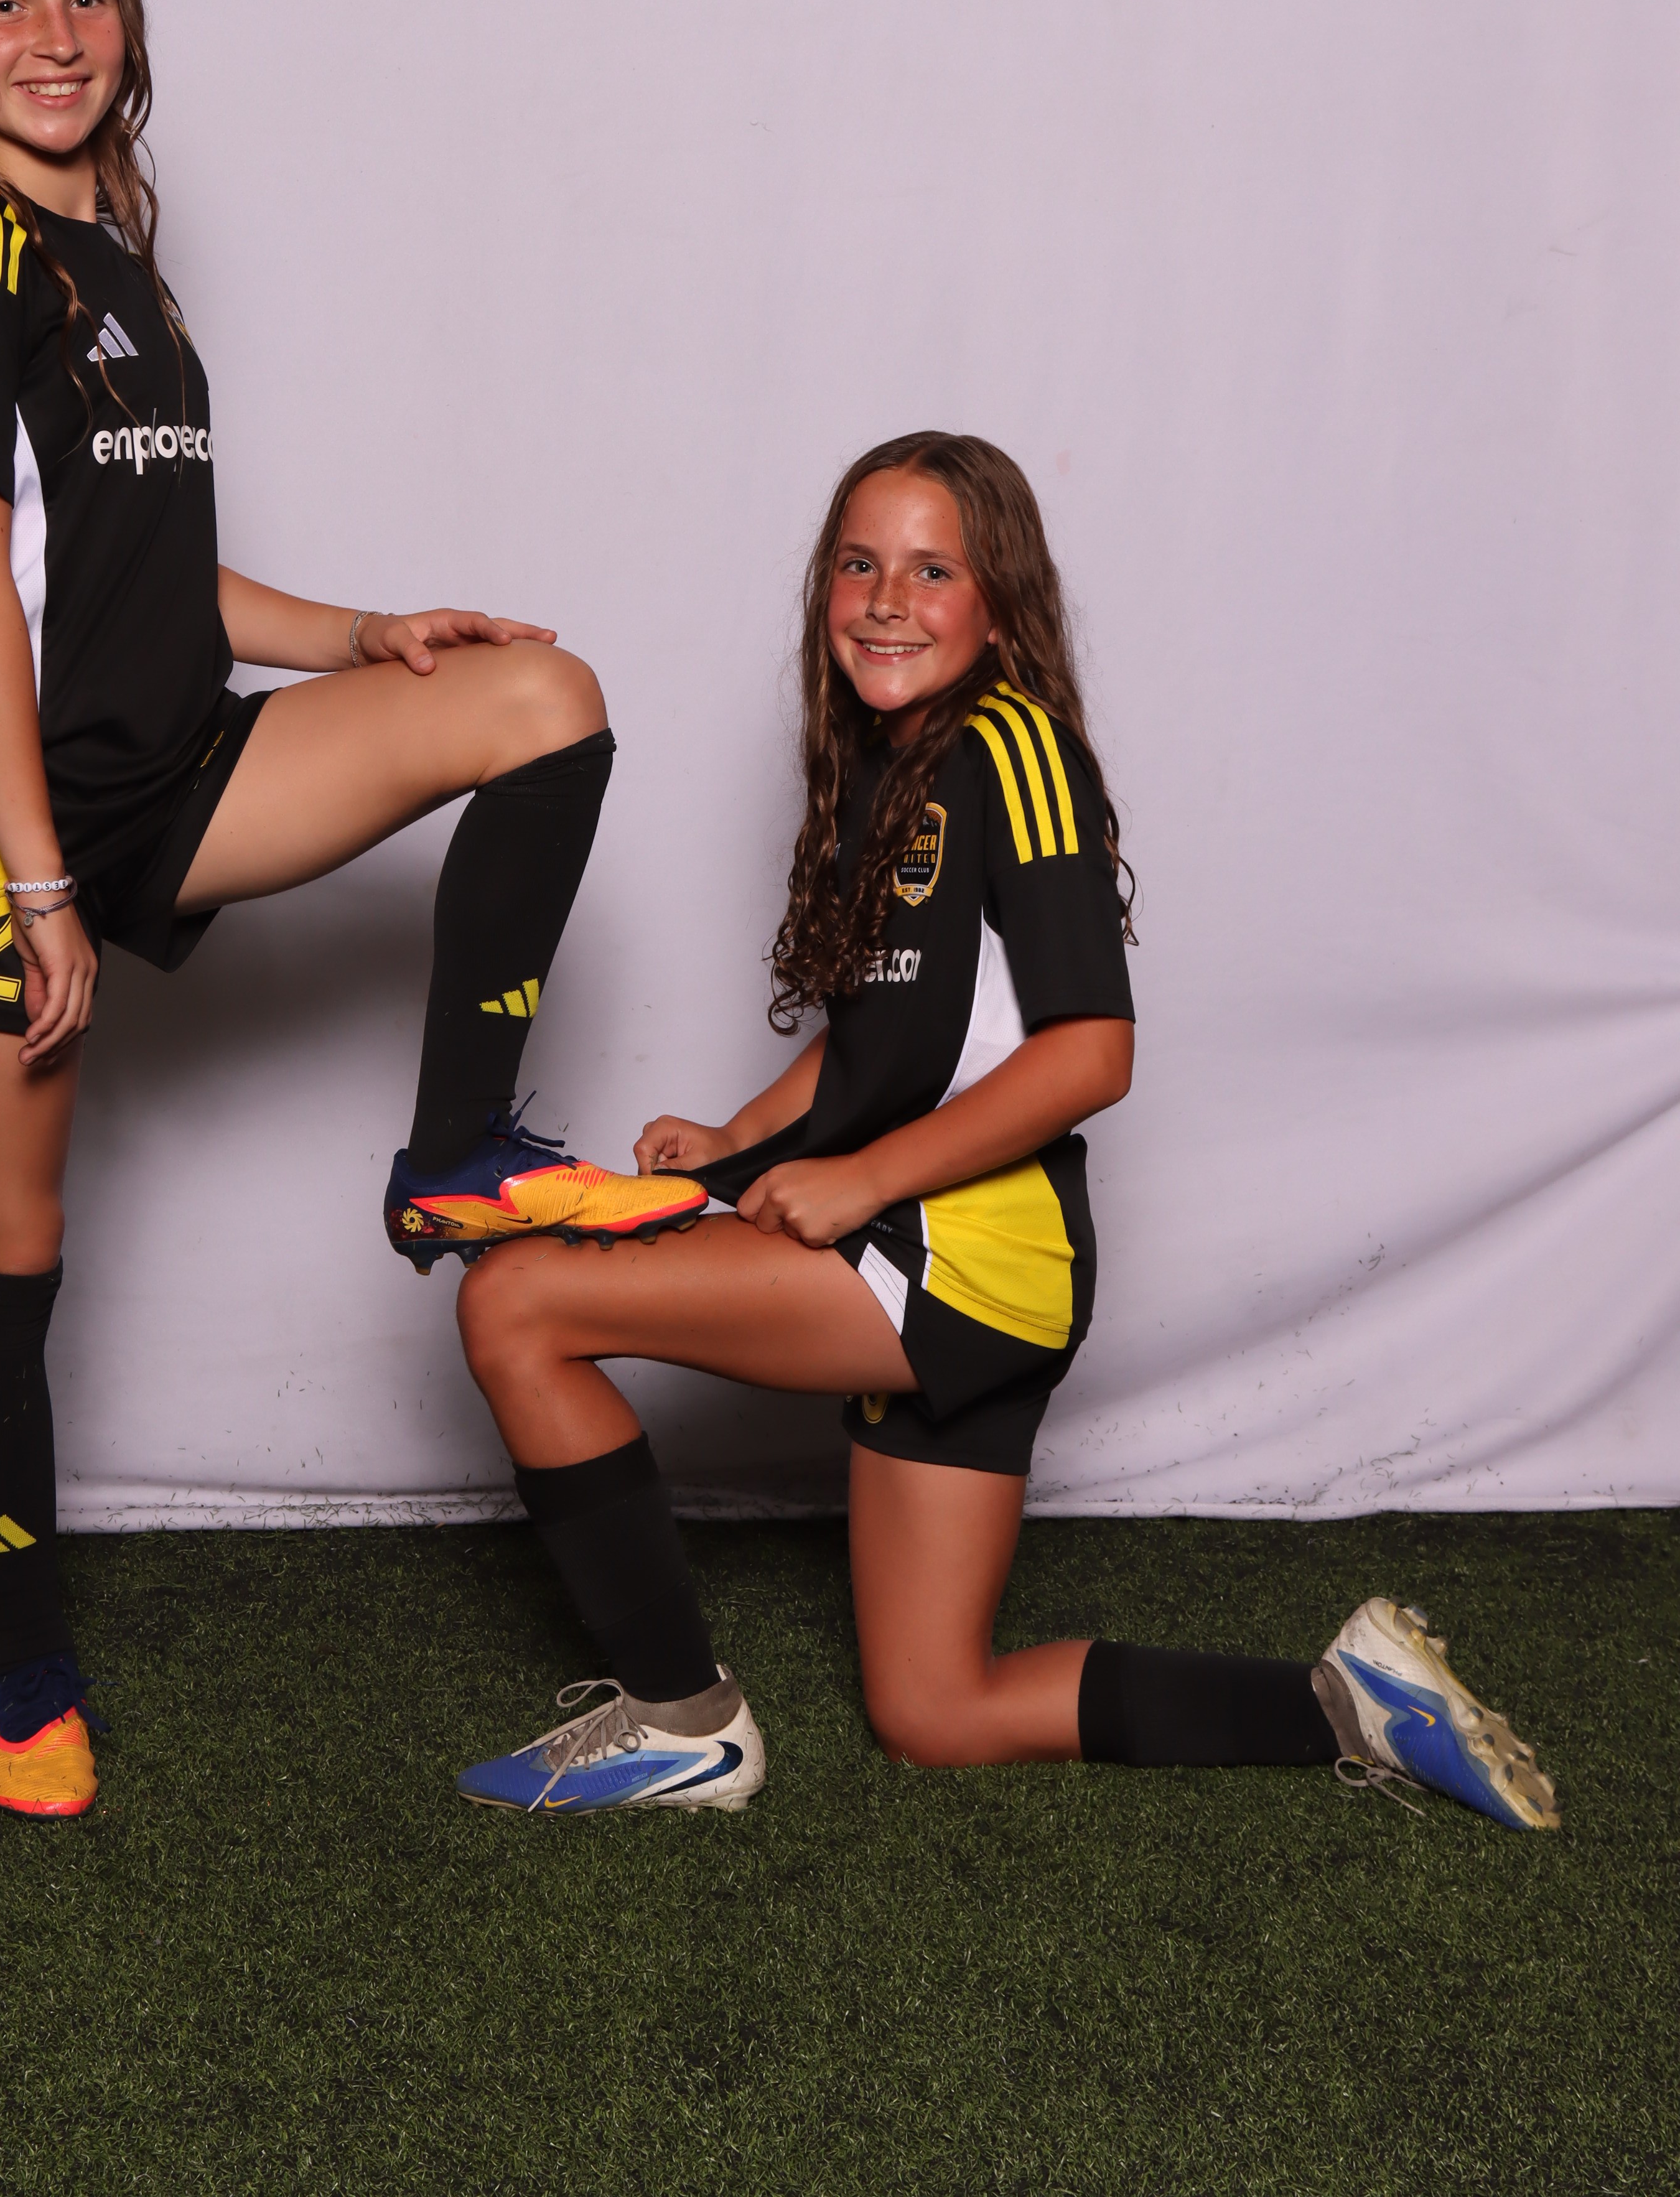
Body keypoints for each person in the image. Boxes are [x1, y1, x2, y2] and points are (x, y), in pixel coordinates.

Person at [430, 433, 1559, 1829]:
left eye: (931, 571)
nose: (885, 600)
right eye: (859, 564)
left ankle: (680, 1723)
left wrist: (856, 1183)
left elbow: (1091, 1053)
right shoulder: (889, 765)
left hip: (961, 1259)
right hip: (950, 1262)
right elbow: (887, 1039)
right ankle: (1353, 1705)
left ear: (1000, 604)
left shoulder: (1012, 750)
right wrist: (735, 1140)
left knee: (516, 1299)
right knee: (937, 1713)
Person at [0, 0, 658, 1821]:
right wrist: (38, 885)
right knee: (7, 1258)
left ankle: (456, 1154)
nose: (55, 36)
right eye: (5, 2)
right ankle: (29, 1685)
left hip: (164, 759)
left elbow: (142, 572)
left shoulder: (115, 264)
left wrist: (364, 636)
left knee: (537, 701)